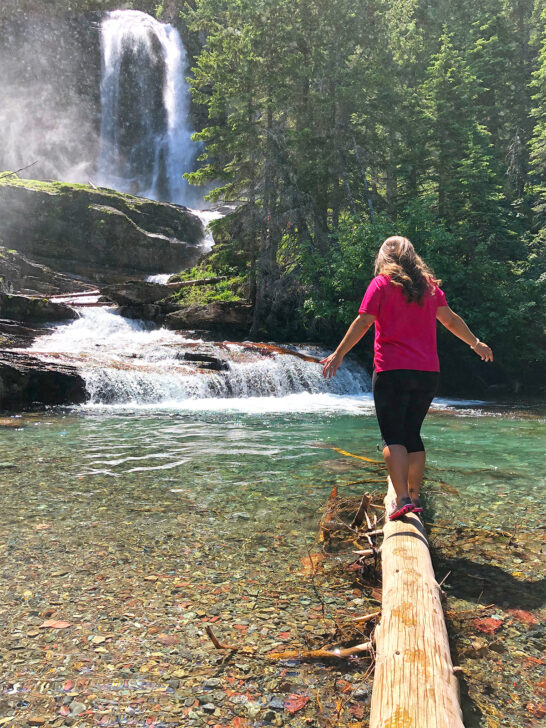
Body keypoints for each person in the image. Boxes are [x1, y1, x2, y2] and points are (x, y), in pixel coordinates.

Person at [321, 236, 493, 520]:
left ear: (383, 259)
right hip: (427, 373)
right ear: (412, 257)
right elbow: (450, 319)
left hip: (392, 370)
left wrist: (339, 354)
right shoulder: (429, 288)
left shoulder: (380, 285)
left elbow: (363, 321)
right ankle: (414, 495)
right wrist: (476, 343)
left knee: (393, 436)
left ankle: (400, 499)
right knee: (412, 433)